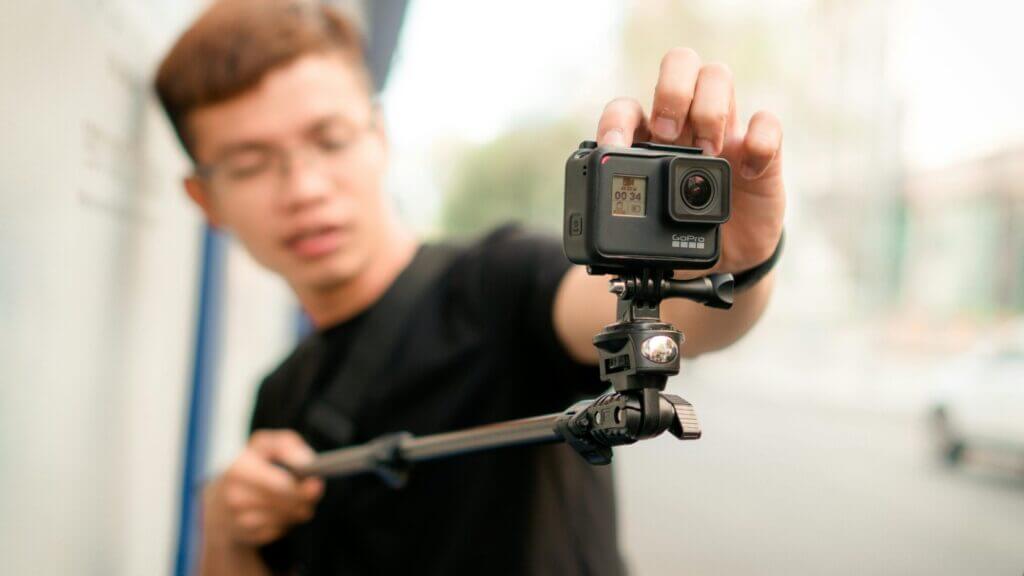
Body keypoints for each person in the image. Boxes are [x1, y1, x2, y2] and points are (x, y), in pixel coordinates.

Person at [155, 1, 785, 574]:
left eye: (330, 139)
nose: (304, 188)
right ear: (206, 199)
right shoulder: (280, 397)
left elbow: (677, 317)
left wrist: (732, 261)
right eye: (250, 164)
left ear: (379, 136)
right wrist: (225, 533)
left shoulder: (498, 283)